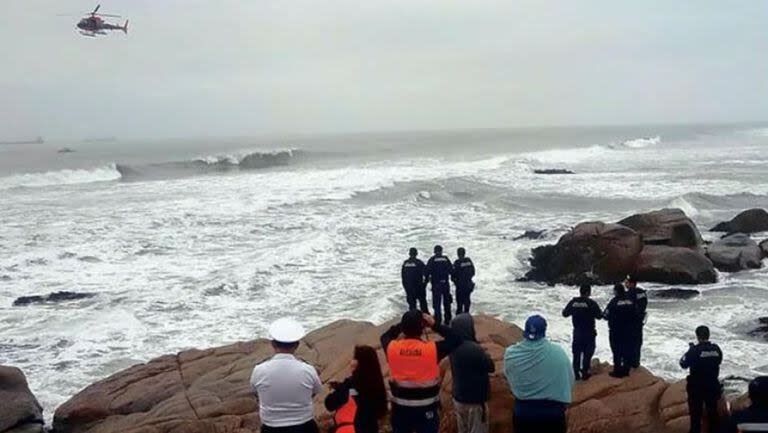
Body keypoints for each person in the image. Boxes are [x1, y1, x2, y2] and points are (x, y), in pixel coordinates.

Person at [380, 311, 462, 433]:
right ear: (422, 327)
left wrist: (402, 324)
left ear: (403, 328)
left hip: (400, 411)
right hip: (426, 411)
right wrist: (434, 325)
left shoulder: (392, 348)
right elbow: (456, 339)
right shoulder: (432, 350)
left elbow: (384, 336)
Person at [503, 315, 574, 433]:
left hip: (523, 413)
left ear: (525, 331)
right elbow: (570, 380)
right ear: (544, 331)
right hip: (552, 414)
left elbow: (508, 376)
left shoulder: (511, 354)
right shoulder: (558, 352)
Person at [250, 318, 323, 433]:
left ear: (273, 344)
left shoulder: (259, 370)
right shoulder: (308, 369)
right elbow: (317, 390)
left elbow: (255, 391)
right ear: (297, 345)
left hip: (271, 427)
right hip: (304, 426)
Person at [324, 345, 388, 433]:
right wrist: (340, 386)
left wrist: (340, 388)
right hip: (370, 428)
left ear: (359, 363)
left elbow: (329, 404)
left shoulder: (350, 384)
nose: (351, 361)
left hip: (351, 428)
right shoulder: (376, 383)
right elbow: (380, 411)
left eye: (354, 358)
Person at [449, 314, 495, 433]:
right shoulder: (474, 349)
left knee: (463, 429)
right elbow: (491, 367)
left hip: (458, 398)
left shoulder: (452, 347)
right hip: (475, 401)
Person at [679, 326, 723, 433]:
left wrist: (690, 350)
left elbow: (683, 363)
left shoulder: (695, 350)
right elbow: (719, 360)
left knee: (695, 415)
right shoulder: (716, 349)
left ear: (697, 336)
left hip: (697, 387)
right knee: (713, 413)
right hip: (712, 385)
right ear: (708, 335)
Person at [562, 284, 603, 380]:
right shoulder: (591, 303)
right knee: (587, 353)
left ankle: (576, 374)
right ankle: (585, 373)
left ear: (580, 292)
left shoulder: (573, 302)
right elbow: (599, 316)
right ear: (588, 292)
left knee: (576, 353)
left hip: (577, 332)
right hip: (589, 332)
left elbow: (565, 314)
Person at [603, 283, 639, 378]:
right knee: (627, 350)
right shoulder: (631, 302)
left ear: (616, 292)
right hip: (629, 331)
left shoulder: (614, 302)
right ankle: (626, 370)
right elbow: (637, 315)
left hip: (616, 331)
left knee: (616, 351)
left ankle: (617, 371)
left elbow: (605, 315)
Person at [425, 245, 454, 325]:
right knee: (447, 302)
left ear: (434, 251)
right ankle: (448, 320)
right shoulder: (446, 259)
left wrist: (426, 281)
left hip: (436, 284)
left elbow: (426, 272)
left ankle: (438, 321)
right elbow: (452, 271)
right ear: (441, 251)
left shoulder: (432, 260)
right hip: (445, 284)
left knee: (437, 304)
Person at [626, 275, 648, 369]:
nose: (625, 284)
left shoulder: (629, 294)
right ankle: (636, 363)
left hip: (630, 322)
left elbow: (627, 308)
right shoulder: (642, 292)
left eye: (627, 282)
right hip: (639, 321)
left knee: (628, 343)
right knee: (637, 342)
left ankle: (628, 363)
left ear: (631, 283)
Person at [402, 247, 429, 313]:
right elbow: (426, 274)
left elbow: (403, 277)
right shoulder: (419, 263)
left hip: (409, 288)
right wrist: (424, 285)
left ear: (409, 254)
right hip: (419, 287)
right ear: (416, 254)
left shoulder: (405, 263)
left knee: (412, 307)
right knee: (423, 306)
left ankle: (413, 321)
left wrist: (406, 288)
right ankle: (425, 320)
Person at [452, 248, 476, 315]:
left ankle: (459, 320)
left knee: (459, 304)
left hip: (460, 286)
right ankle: (466, 316)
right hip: (468, 284)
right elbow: (473, 272)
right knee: (467, 301)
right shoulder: (468, 260)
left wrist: (456, 282)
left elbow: (453, 275)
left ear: (457, 254)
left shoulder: (457, 262)